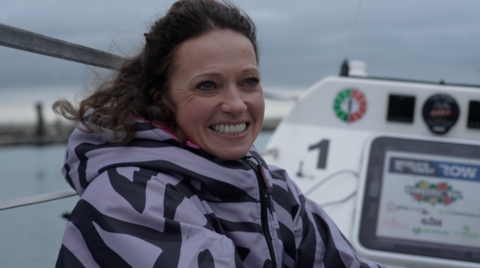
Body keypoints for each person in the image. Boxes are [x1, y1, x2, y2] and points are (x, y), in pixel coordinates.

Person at [54, 0, 385, 267]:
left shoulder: (271, 187)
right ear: (160, 95)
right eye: (208, 85)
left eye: (249, 81)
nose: (237, 104)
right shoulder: (127, 199)